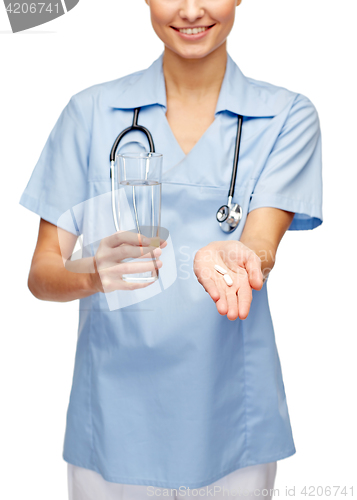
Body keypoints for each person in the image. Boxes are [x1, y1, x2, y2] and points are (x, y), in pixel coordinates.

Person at [19, 1, 323, 499]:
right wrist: (94, 273)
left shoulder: (286, 116)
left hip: (231, 423)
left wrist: (238, 259)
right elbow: (42, 273)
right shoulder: (91, 114)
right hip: (114, 428)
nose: (190, 10)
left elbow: (260, 245)